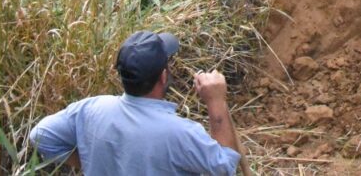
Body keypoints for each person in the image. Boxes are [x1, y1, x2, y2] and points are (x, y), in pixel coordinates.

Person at [29, 31, 249, 176]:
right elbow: (225, 165)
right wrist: (216, 101)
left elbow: (40, 136)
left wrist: (89, 163)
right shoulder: (179, 133)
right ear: (163, 76)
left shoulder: (92, 109)